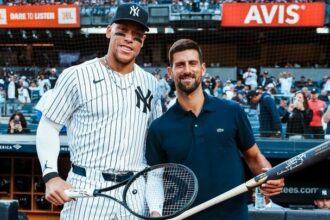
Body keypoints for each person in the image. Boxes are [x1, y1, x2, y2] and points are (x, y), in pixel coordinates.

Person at [36, 3, 162, 219]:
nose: (129, 39)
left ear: (143, 41)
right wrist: (51, 176)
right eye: (122, 31)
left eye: (137, 34)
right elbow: (49, 126)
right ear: (108, 31)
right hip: (86, 189)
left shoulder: (151, 84)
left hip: (133, 191)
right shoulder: (76, 75)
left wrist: (155, 206)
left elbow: (155, 145)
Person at [146, 39, 284, 220]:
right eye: (180, 65)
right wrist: (156, 213)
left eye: (192, 63)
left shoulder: (232, 111)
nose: (187, 70)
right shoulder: (159, 127)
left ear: (202, 69)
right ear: (170, 73)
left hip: (233, 216)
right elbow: (155, 177)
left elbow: (254, 157)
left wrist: (270, 176)